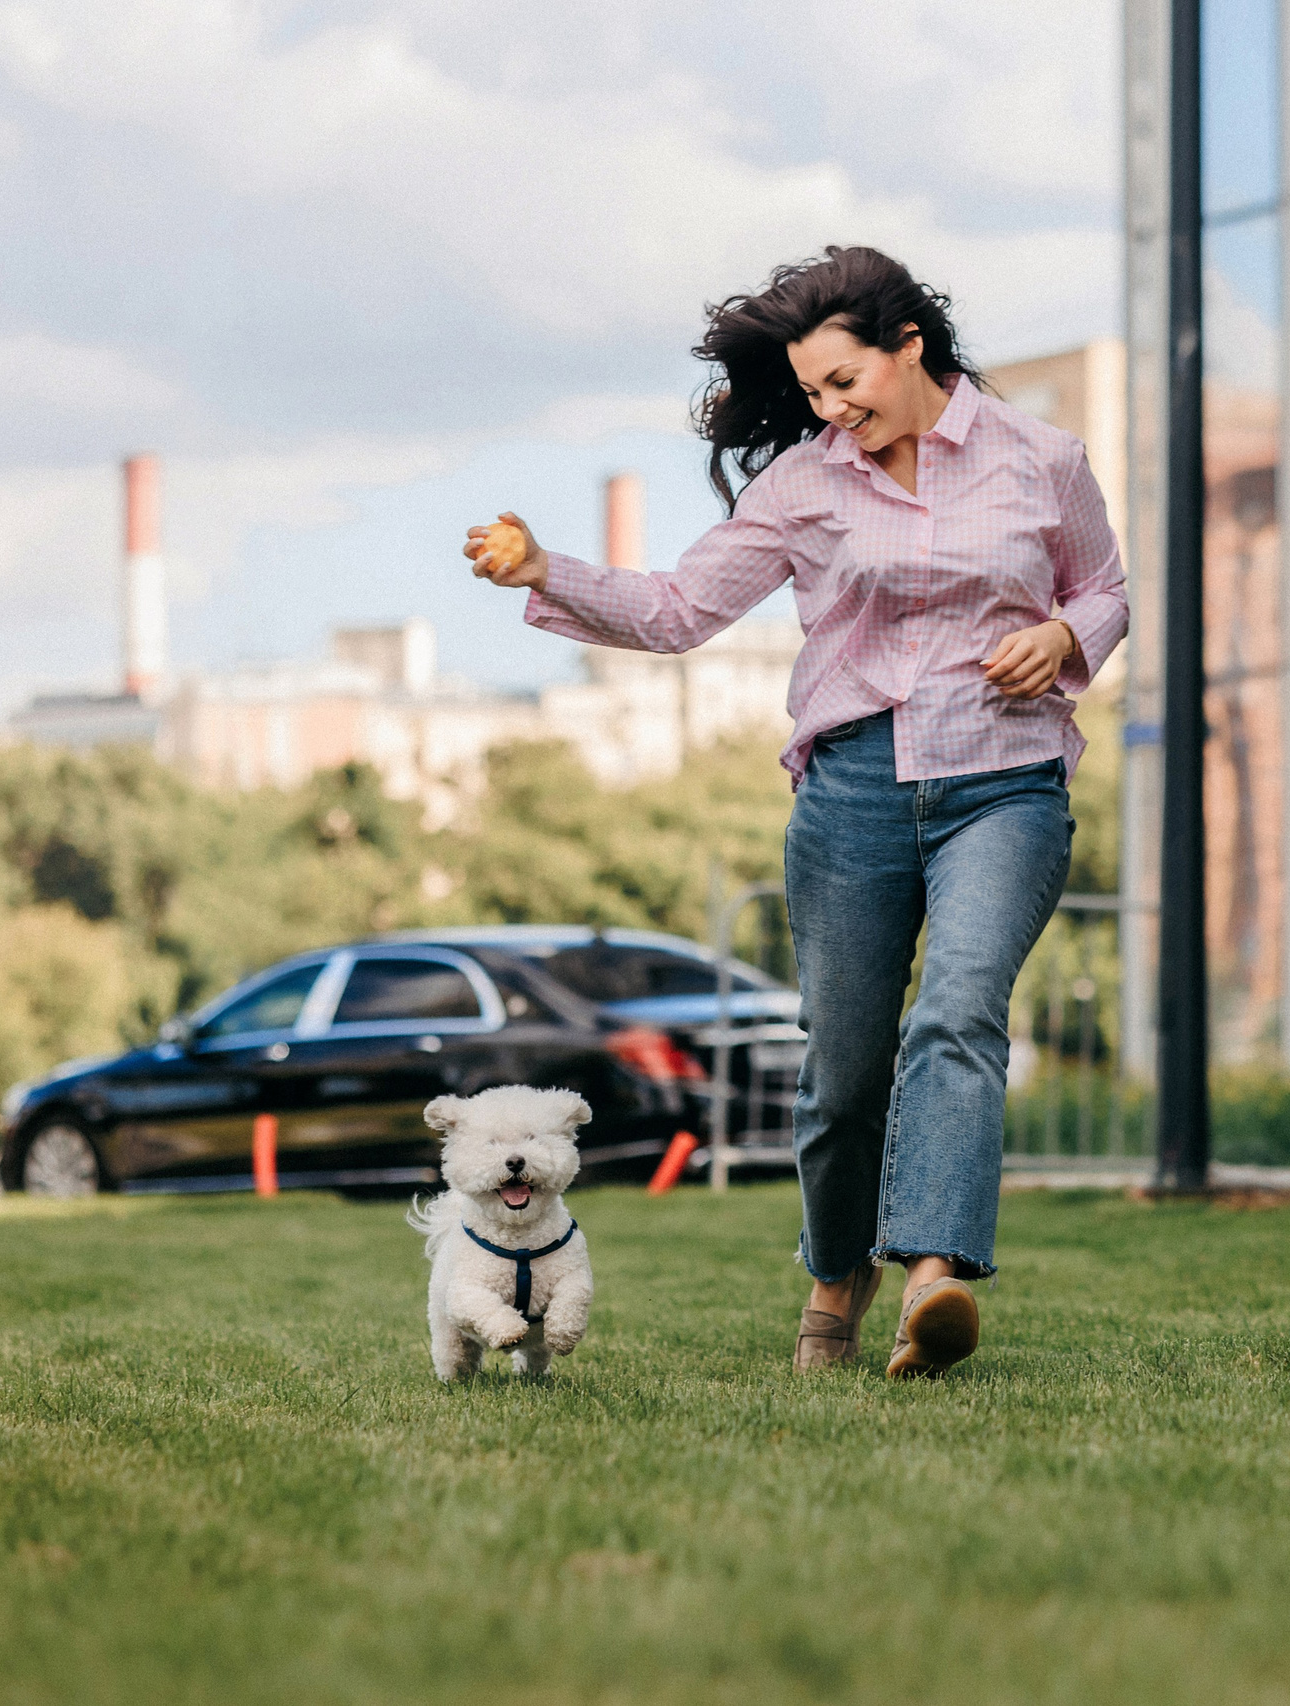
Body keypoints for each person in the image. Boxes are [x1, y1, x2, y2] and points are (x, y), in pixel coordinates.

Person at [464, 245, 1127, 1378]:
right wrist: (545, 571)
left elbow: (1102, 586)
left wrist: (1065, 634)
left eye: (843, 382)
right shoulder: (806, 484)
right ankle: (837, 1273)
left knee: (958, 1010)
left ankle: (931, 1276)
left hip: (1005, 779)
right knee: (842, 1074)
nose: (828, 410)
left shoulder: (1040, 458)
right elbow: (678, 609)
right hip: (854, 790)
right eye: (811, 392)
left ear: (907, 346)